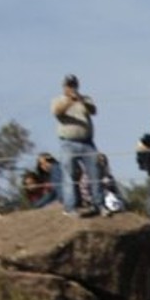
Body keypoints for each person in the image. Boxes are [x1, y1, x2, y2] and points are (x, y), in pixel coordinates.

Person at [51, 74, 100, 216]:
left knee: (95, 173)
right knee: (69, 175)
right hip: (68, 143)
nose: (72, 88)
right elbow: (57, 112)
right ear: (64, 87)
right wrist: (70, 101)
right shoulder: (58, 100)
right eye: (69, 85)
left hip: (87, 142)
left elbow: (94, 111)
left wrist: (81, 101)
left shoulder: (85, 99)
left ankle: (98, 205)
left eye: (74, 85)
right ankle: (70, 207)